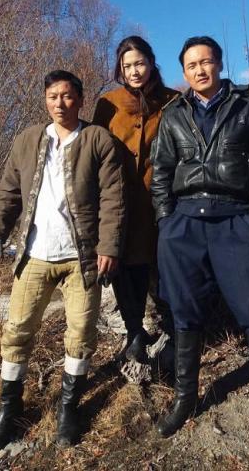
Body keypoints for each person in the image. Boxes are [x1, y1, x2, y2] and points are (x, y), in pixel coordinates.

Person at [151, 36, 249, 447]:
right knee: (183, 311)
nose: (199, 70)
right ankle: (185, 399)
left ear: (219, 64)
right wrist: (166, 219)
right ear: (184, 72)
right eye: (191, 65)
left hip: (235, 220)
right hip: (184, 224)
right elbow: (161, 170)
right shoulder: (173, 114)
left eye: (206, 62)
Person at [0, 70, 125, 452]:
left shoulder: (97, 139)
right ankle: (9, 410)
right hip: (35, 254)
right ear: (45, 100)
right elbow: (9, 190)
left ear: (80, 99)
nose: (59, 103)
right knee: (17, 330)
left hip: (81, 258)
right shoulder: (28, 139)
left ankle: (68, 409)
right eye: (52, 96)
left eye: (67, 96)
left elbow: (113, 198)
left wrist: (109, 246)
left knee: (81, 334)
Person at [93, 36, 178, 362]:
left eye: (139, 63)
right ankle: (134, 332)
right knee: (125, 266)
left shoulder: (172, 102)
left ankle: (174, 333)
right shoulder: (108, 103)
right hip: (119, 199)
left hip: (162, 198)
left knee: (165, 265)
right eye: (127, 66)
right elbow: (94, 150)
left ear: (151, 63)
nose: (134, 71)